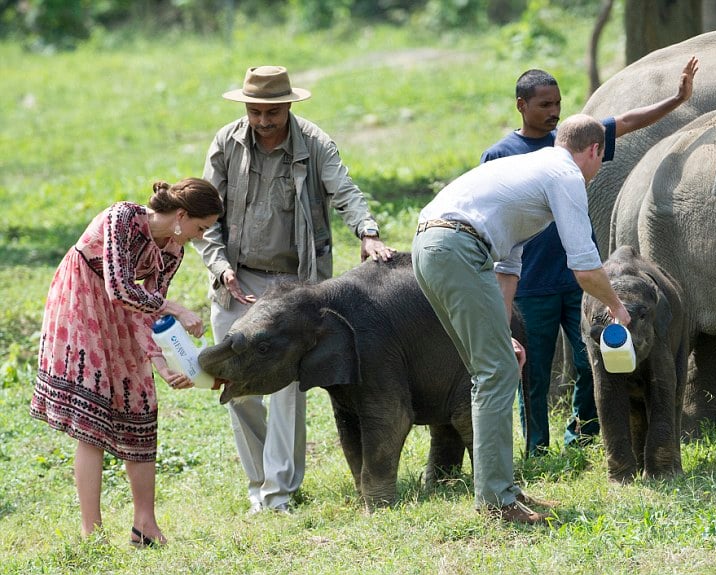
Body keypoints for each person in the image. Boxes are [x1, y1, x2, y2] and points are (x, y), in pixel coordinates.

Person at [193, 65, 396, 515]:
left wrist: (367, 231)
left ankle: (279, 493)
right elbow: (205, 213)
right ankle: (259, 484)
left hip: (293, 288)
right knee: (236, 386)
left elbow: (345, 190)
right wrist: (221, 266)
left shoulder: (315, 142)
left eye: (272, 112)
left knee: (285, 389)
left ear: (289, 105)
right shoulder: (226, 142)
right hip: (238, 280)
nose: (262, 120)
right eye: (255, 111)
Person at [412, 114, 632, 524]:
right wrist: (617, 306)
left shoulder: (528, 170)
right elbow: (584, 268)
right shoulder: (565, 175)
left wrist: (501, 329)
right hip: (458, 247)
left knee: (494, 367)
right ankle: (497, 502)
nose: (597, 169)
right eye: (601, 159)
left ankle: (501, 488)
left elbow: (507, 267)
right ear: (594, 150)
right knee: (496, 373)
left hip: (431, 246)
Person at [480, 58, 698, 454]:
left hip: (585, 282)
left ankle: (582, 437)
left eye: (557, 103)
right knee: (535, 373)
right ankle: (537, 449)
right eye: (544, 105)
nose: (554, 112)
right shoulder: (501, 154)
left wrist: (676, 99)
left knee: (592, 360)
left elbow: (628, 121)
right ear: (520, 105)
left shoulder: (572, 143)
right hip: (528, 282)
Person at [30, 177, 223, 546]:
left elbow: (145, 311)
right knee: (95, 412)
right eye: (200, 228)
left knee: (141, 404)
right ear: (181, 215)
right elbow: (118, 286)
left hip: (124, 314)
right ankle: (93, 534)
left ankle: (144, 526)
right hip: (83, 299)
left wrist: (162, 364)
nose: (200, 237)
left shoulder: (172, 251)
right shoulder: (124, 218)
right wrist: (177, 308)